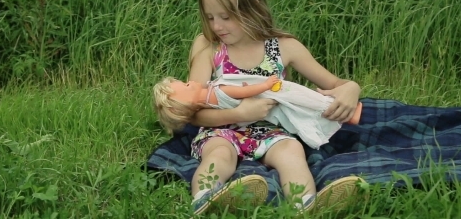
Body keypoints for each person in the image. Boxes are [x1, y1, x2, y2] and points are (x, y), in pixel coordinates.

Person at [180, 0, 366, 215]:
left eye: (226, 17)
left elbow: (336, 84)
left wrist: (352, 88)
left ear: (254, 6)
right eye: (210, 17)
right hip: (219, 130)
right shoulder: (209, 46)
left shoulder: (284, 47)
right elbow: (192, 113)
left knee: (292, 151)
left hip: (270, 133)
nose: (217, 26)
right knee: (220, 155)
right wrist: (239, 114)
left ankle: (306, 206)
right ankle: (205, 199)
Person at [152, 74, 363, 149]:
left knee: (304, 103)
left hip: (274, 98)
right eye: (185, 86)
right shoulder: (214, 92)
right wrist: (265, 85)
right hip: (270, 98)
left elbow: (243, 91)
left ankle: (339, 111)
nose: (190, 82)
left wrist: (352, 87)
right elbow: (245, 91)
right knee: (304, 104)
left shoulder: (211, 95)